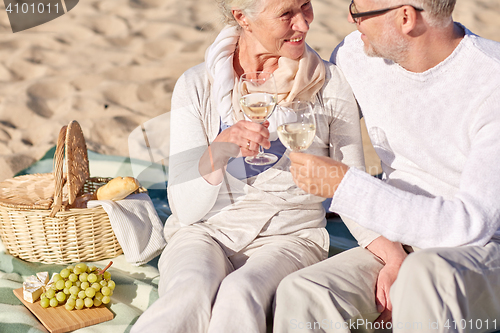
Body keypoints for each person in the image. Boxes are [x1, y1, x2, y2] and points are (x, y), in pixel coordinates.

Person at [131, 0, 365, 332]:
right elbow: (186, 210)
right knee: (189, 291)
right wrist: (220, 150)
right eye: (287, 14)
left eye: (306, 6)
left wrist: (388, 254)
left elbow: (351, 185)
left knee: (240, 293)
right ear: (243, 18)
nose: (303, 24)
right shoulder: (196, 85)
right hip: (205, 232)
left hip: (290, 237)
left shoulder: (329, 84)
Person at [273, 0, 500, 331]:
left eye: (359, 11)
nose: (350, 19)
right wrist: (395, 256)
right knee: (304, 293)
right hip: (402, 236)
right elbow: (321, 129)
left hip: (484, 250)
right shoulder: (356, 55)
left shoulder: (491, 82)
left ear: (406, 17)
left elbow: (470, 225)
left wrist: (346, 186)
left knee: (423, 277)